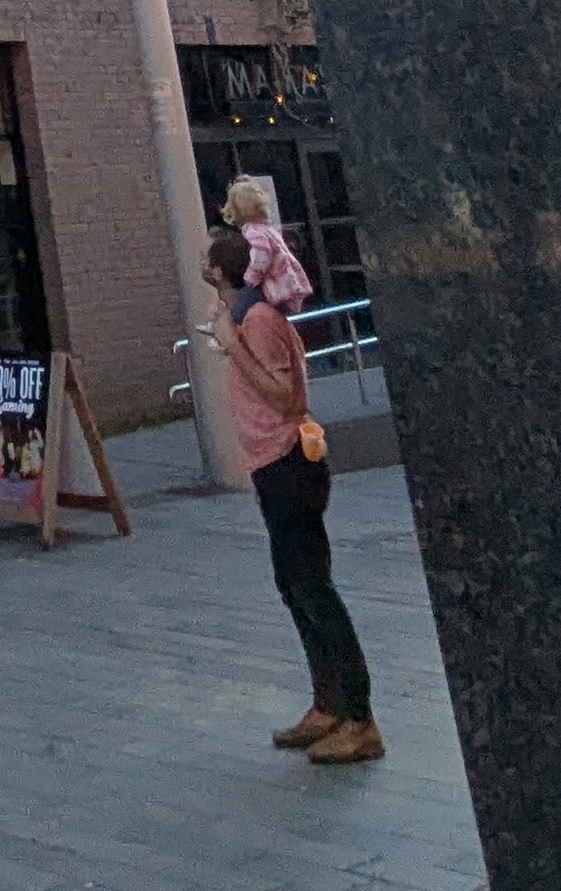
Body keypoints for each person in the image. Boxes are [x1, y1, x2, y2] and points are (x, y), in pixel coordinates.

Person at [209, 224, 380, 765]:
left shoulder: (257, 321)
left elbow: (284, 396)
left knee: (313, 588)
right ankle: (329, 705)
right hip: (272, 465)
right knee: (293, 586)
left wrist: (232, 346)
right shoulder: (251, 317)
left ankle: (360, 718)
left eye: (210, 265)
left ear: (223, 274)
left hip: (288, 462)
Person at [221, 174, 316, 315]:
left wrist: (251, 277)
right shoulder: (266, 229)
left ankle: (228, 324)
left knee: (242, 302)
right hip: (288, 284)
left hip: (277, 287)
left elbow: (262, 256)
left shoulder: (252, 230)